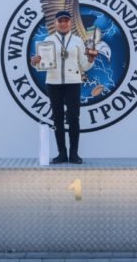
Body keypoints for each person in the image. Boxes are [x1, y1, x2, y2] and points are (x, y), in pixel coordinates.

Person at [30, 10, 95, 164]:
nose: (63, 23)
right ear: (55, 23)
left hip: (73, 82)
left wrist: (91, 60)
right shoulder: (48, 40)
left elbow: (83, 66)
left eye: (66, 20)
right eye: (60, 21)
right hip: (53, 83)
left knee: (73, 118)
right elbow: (42, 65)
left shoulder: (78, 41)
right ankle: (61, 154)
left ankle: (74, 154)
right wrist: (35, 63)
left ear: (70, 23)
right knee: (58, 119)